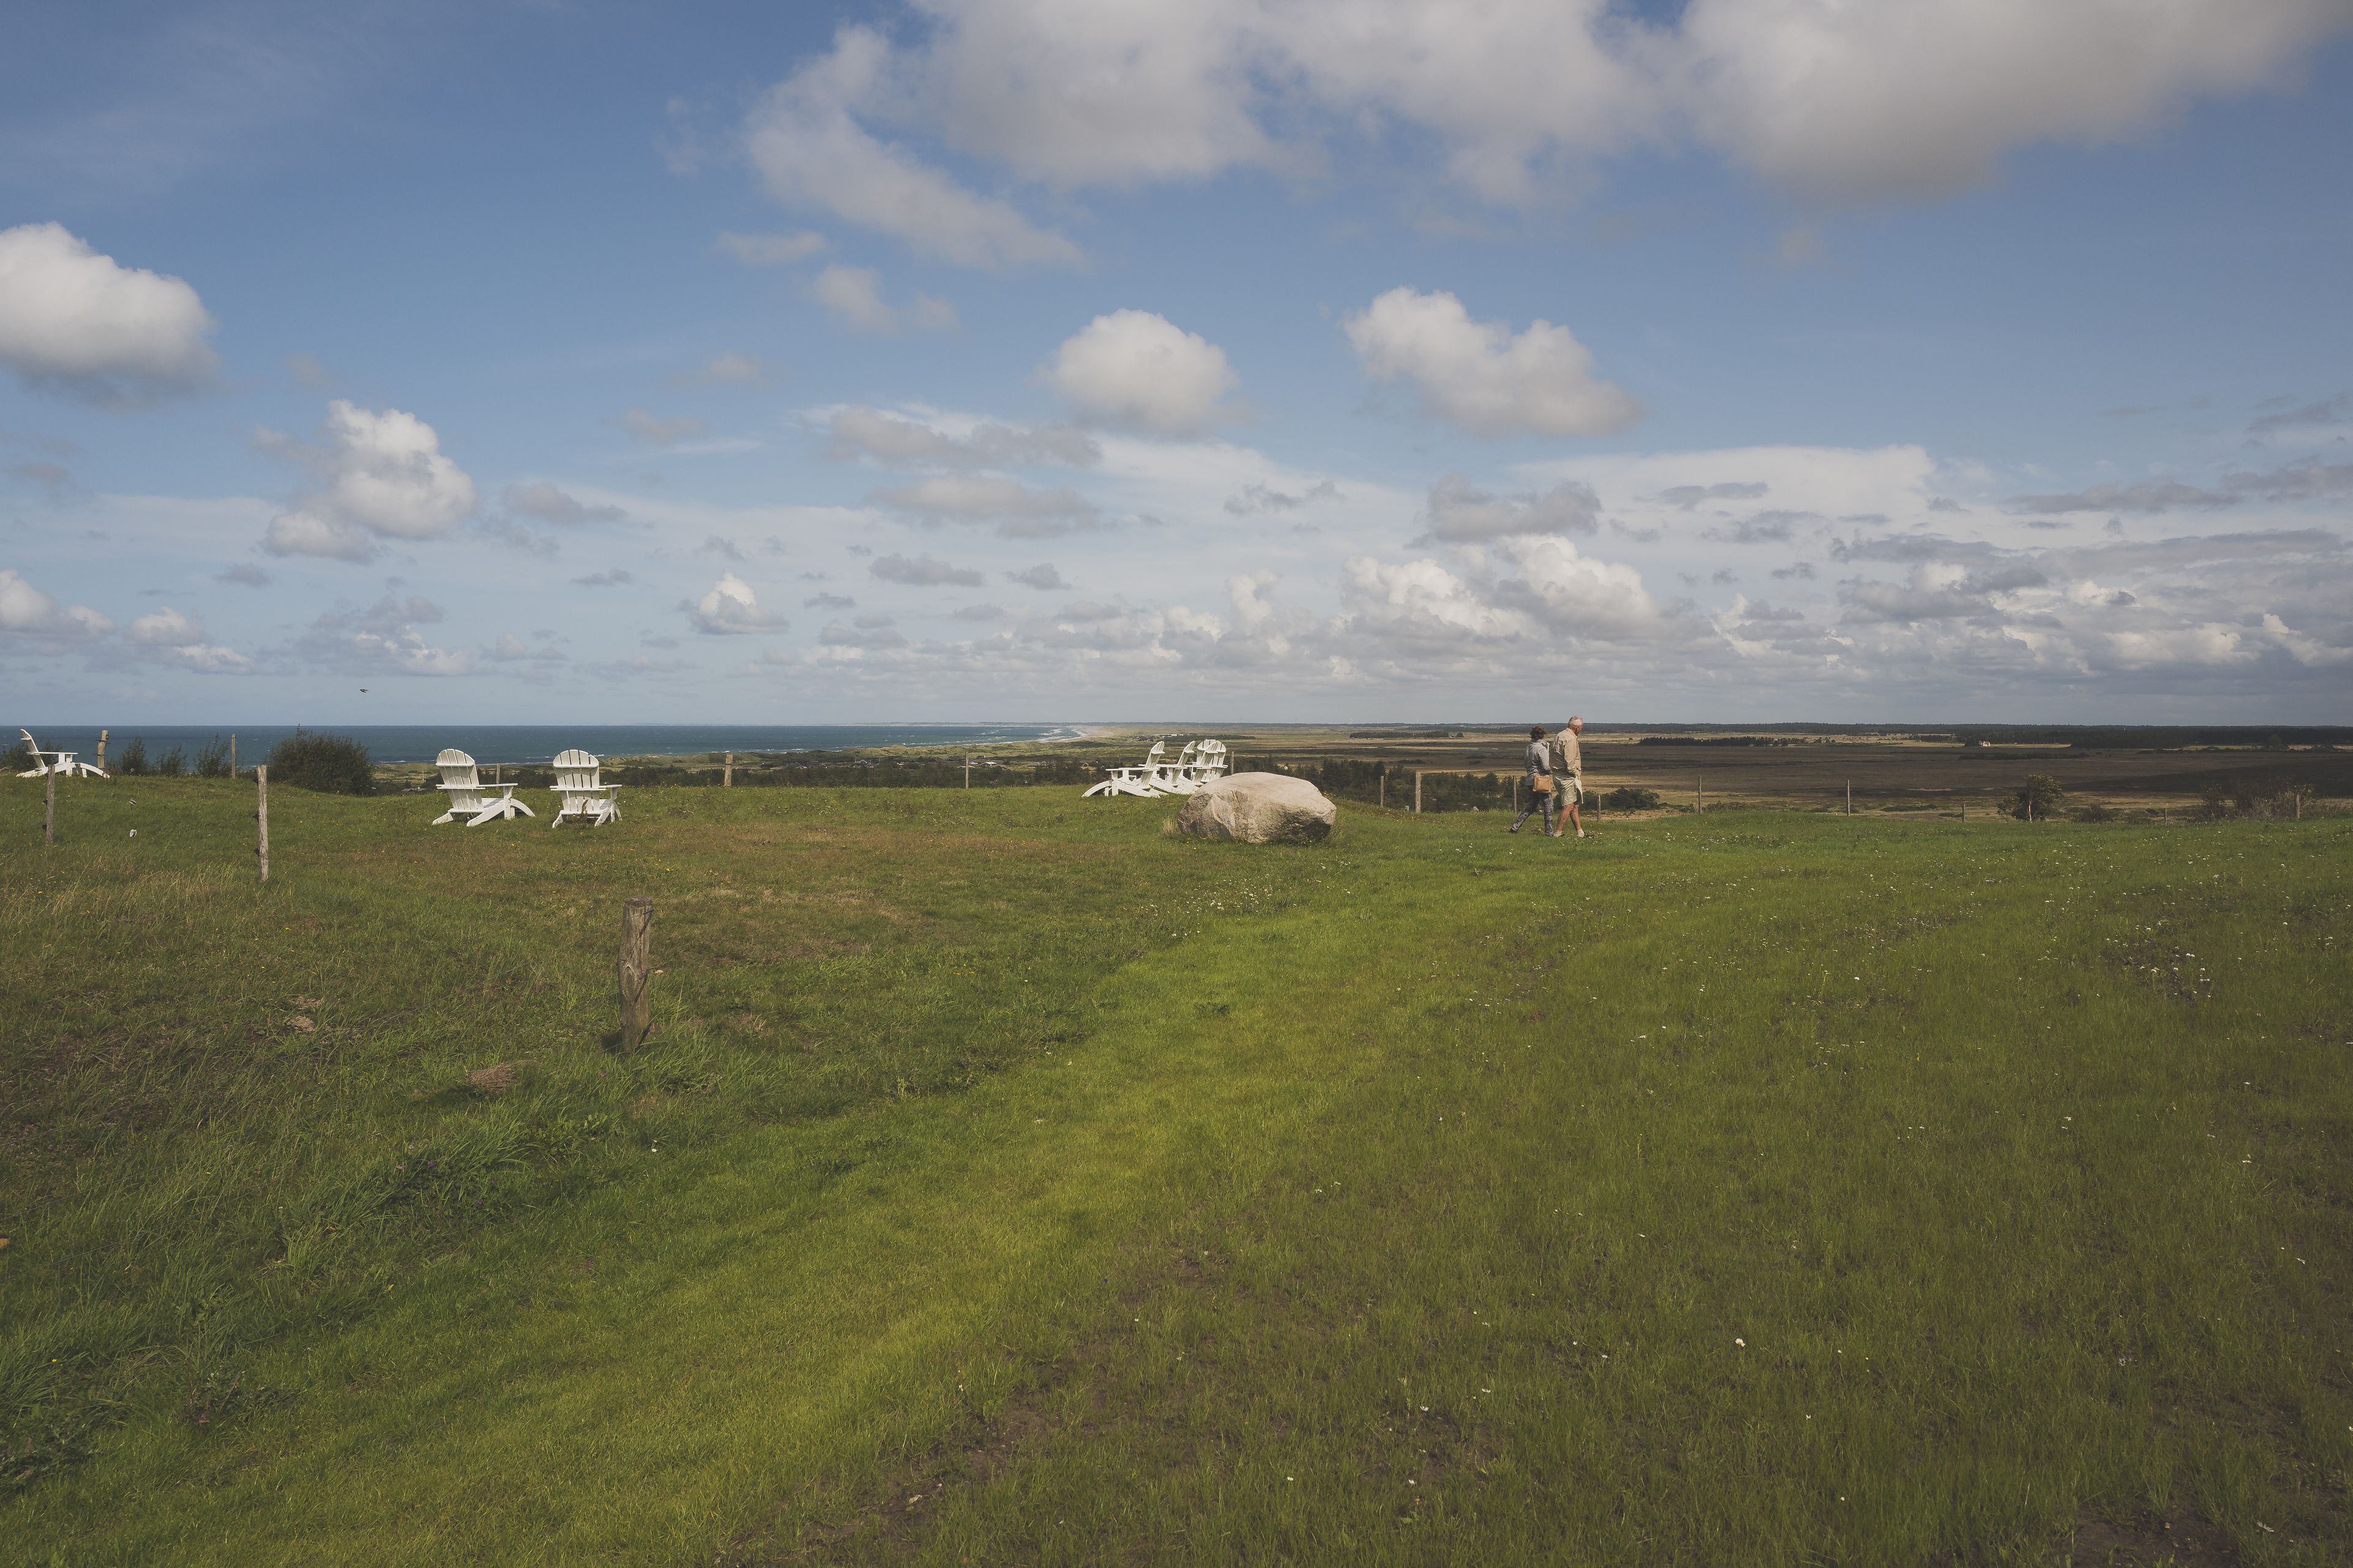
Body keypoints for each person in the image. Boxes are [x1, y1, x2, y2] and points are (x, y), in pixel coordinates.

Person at [1509, 725, 1555, 835]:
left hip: (1530, 779)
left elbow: (1526, 765)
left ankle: (1515, 826)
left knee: (1531, 806)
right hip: (1541, 780)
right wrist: (1555, 771)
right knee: (1549, 806)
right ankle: (1549, 832)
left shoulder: (1527, 749)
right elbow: (1546, 767)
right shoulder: (1541, 749)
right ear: (1543, 736)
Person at [1552, 716, 1587, 838]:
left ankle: (1580, 833)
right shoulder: (1571, 739)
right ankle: (1558, 833)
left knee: (1575, 805)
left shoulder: (1560, 735)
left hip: (1558, 774)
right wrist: (1574, 773)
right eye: (1581, 727)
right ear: (1577, 727)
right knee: (1569, 806)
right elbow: (1570, 760)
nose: (1581, 730)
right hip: (1567, 776)